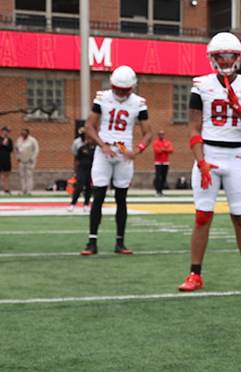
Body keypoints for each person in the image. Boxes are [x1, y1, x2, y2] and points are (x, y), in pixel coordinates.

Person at [179, 33, 241, 292]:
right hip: (209, 155)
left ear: (239, 57)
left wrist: (237, 106)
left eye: (230, 55)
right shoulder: (201, 84)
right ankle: (195, 274)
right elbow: (194, 127)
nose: (226, 60)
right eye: (221, 56)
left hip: (238, 155)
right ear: (212, 57)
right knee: (202, 216)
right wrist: (201, 162)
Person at [82, 65, 151, 256]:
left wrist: (137, 150)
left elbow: (148, 134)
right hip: (104, 153)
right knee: (99, 197)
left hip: (124, 154)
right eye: (117, 89)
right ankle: (92, 242)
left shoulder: (138, 103)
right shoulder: (102, 98)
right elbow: (89, 126)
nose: (120, 93)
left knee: (121, 198)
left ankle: (120, 242)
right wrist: (102, 145)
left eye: (124, 90)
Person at [67, 120, 95, 213]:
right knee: (79, 187)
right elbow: (77, 159)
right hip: (82, 170)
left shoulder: (95, 149)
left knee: (88, 188)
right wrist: (76, 171)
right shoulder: (81, 148)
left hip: (91, 170)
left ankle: (86, 204)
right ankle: (73, 204)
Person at [15, 127, 39, 196]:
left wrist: (32, 158)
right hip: (21, 160)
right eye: (22, 133)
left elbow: (36, 150)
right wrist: (18, 157)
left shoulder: (32, 140)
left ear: (27, 133)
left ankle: (29, 190)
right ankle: (23, 189)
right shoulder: (19, 140)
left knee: (29, 175)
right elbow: (16, 149)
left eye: (24, 132)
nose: (23, 134)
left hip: (29, 161)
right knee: (22, 175)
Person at [0, 128, 14, 194]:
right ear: (2, 131)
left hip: (6, 159)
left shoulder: (9, 140)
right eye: (6, 131)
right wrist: (2, 144)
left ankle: (6, 189)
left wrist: (7, 145)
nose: (7, 133)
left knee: (6, 174)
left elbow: (10, 149)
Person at [149, 130, 171, 194]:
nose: (161, 135)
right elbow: (157, 151)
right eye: (160, 134)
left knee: (164, 176)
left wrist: (164, 149)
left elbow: (171, 150)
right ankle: (158, 190)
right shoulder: (156, 142)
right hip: (158, 162)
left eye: (162, 134)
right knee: (158, 176)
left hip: (165, 161)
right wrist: (165, 150)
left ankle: (161, 190)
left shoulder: (167, 142)